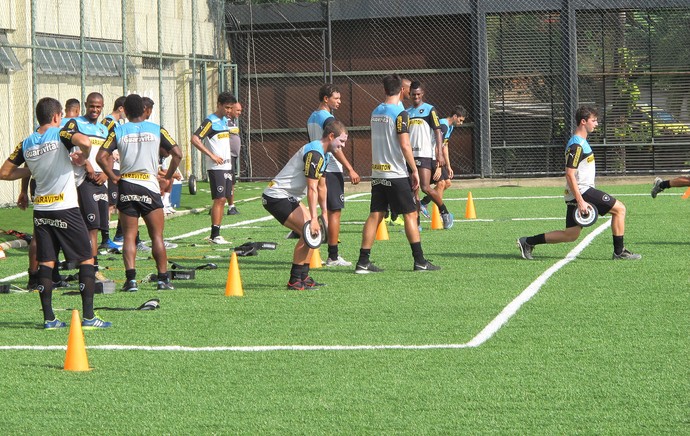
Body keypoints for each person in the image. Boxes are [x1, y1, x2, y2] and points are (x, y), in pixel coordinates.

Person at [0, 97, 111, 329]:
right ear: (56, 116)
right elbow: (84, 141)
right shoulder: (61, 132)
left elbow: (4, 172)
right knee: (86, 258)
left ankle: (49, 319)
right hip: (65, 208)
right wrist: (85, 155)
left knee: (47, 262)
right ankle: (89, 317)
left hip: (41, 210)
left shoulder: (26, 142)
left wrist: (31, 169)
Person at [517, 105, 641, 261]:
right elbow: (569, 174)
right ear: (583, 121)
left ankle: (528, 242)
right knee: (620, 209)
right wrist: (581, 201)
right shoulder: (577, 145)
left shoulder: (581, 142)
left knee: (570, 235)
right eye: (593, 120)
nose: (596, 124)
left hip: (578, 192)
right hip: (582, 191)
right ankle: (619, 252)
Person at [96, 94, 182, 291]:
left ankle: (131, 280)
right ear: (144, 110)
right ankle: (162, 279)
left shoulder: (119, 130)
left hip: (126, 185)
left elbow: (101, 156)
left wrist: (113, 176)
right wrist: (167, 176)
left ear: (124, 111)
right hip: (149, 185)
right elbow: (177, 153)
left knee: (128, 236)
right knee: (157, 236)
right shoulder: (156, 128)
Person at [356, 74, 440, 274]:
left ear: (385, 89)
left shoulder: (376, 111)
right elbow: (404, 144)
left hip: (378, 173)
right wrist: (413, 170)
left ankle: (362, 262)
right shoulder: (401, 114)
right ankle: (419, 261)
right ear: (402, 91)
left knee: (375, 215)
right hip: (396, 173)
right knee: (411, 214)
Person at [263, 120, 348, 290]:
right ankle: (295, 280)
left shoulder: (325, 154)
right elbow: (312, 188)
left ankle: (304, 276)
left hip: (289, 197)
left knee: (312, 233)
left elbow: (321, 186)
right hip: (276, 196)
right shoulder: (315, 153)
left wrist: (323, 212)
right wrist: (314, 218)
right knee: (309, 231)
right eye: (341, 141)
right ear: (331, 136)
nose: (343, 146)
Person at [307, 84, 360, 267]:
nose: (339, 101)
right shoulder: (328, 118)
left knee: (324, 210)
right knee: (334, 211)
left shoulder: (312, 116)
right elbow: (335, 147)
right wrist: (350, 168)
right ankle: (333, 256)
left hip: (319, 166)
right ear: (325, 99)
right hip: (330, 167)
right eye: (336, 98)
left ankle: (318, 252)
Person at [67, 92, 111, 281]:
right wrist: (86, 163)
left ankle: (84, 265)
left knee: (97, 227)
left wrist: (106, 172)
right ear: (86, 104)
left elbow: (108, 154)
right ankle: (91, 270)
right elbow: (69, 147)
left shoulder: (103, 129)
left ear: (102, 107)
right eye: (92, 106)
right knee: (90, 227)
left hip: (100, 181)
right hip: (82, 180)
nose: (95, 110)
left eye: (98, 107)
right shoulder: (75, 124)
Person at [405, 81, 453, 229]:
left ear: (422, 94)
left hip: (425, 154)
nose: (416, 97)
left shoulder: (429, 109)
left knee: (425, 187)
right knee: (413, 191)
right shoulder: (406, 113)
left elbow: (438, 132)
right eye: (413, 95)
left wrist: (439, 153)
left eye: (418, 94)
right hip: (410, 156)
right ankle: (417, 223)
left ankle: (444, 212)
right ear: (409, 94)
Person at [191, 92, 236, 244]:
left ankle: (216, 233)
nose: (229, 111)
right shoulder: (210, 121)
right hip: (217, 168)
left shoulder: (225, 121)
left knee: (224, 199)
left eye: (231, 108)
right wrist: (211, 155)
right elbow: (195, 139)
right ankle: (214, 235)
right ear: (218, 105)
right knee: (220, 198)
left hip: (227, 166)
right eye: (227, 107)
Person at [419, 105, 467, 216]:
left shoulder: (450, 127)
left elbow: (444, 146)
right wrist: (439, 167)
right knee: (440, 183)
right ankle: (441, 214)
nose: (461, 123)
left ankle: (423, 203)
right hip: (430, 155)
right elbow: (436, 146)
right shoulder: (443, 126)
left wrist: (448, 166)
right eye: (460, 120)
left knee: (447, 183)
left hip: (436, 157)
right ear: (455, 116)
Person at [227, 101, 242, 215]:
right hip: (227, 156)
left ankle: (221, 205)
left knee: (230, 181)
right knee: (229, 181)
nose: (239, 113)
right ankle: (231, 207)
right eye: (237, 110)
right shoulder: (223, 122)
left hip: (233, 156)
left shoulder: (232, 122)